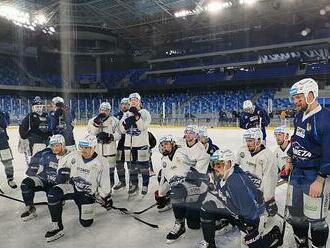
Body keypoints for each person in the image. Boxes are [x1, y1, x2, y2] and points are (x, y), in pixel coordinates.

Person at [200, 148, 281, 248]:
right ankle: (210, 244)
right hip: (235, 210)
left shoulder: (236, 182)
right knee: (206, 209)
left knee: (253, 243)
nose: (215, 168)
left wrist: (250, 226)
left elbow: (251, 210)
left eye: (218, 165)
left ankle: (274, 234)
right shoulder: (222, 175)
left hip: (249, 215)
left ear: (229, 163)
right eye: (214, 165)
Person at [284, 78, 330, 248]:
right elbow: (296, 139)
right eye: (294, 98)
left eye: (298, 97)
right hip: (297, 171)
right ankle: (301, 243)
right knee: (296, 214)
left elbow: (329, 153)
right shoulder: (299, 116)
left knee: (316, 219)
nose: (295, 101)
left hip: (315, 174)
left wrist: (320, 179)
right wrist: (289, 158)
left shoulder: (325, 118)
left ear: (311, 94)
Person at [45, 134, 111, 242]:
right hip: (72, 187)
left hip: (87, 194)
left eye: (87, 148)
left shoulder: (102, 162)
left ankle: (87, 208)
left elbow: (104, 182)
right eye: (82, 147)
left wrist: (105, 196)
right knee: (53, 193)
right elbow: (62, 165)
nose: (83, 150)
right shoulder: (74, 155)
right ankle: (57, 227)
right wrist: (61, 172)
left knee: (86, 223)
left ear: (94, 147)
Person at [156, 135, 208, 243]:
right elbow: (167, 179)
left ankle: (180, 225)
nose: (164, 147)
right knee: (193, 225)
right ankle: (191, 219)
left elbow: (205, 158)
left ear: (173, 143)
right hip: (183, 190)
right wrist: (161, 193)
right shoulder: (164, 159)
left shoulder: (182, 152)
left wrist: (193, 174)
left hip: (196, 187)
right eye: (163, 145)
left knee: (176, 191)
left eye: (166, 144)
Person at [236, 128, 281, 247]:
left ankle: (273, 234)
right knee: (246, 229)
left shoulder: (268, 157)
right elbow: (234, 167)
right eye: (247, 140)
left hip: (259, 198)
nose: (248, 143)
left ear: (259, 140)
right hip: (244, 196)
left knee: (257, 230)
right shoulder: (242, 150)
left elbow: (270, 181)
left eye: (251, 140)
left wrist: (269, 200)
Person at [20, 134, 75, 221]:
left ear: (63, 144)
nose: (54, 148)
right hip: (45, 181)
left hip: (59, 185)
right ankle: (30, 208)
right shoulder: (46, 154)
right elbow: (38, 170)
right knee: (26, 183)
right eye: (52, 145)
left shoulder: (72, 157)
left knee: (54, 194)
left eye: (57, 145)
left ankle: (59, 199)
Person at [119, 92, 151, 196]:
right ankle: (134, 184)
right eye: (131, 100)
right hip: (129, 145)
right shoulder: (126, 114)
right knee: (131, 166)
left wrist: (137, 117)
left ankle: (145, 184)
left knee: (143, 167)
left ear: (139, 101)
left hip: (142, 144)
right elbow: (122, 130)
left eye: (135, 99)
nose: (133, 101)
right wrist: (126, 125)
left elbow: (143, 127)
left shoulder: (145, 112)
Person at [87, 102, 121, 188]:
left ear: (110, 111)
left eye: (106, 110)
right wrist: (96, 124)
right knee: (97, 170)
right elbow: (91, 134)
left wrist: (110, 137)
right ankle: (97, 186)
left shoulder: (115, 121)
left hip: (110, 150)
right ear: (99, 110)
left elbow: (119, 134)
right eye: (102, 110)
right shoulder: (92, 120)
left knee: (110, 171)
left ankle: (109, 187)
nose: (104, 112)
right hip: (97, 151)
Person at [113, 97, 130, 190]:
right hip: (121, 143)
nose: (124, 105)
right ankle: (122, 181)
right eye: (123, 104)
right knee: (119, 162)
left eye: (127, 104)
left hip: (132, 143)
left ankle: (132, 182)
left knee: (131, 164)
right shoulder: (116, 116)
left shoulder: (133, 114)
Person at [0, 110, 17, 188]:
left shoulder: (3, 113)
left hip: (3, 143)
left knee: (8, 163)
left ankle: (10, 179)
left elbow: (6, 124)